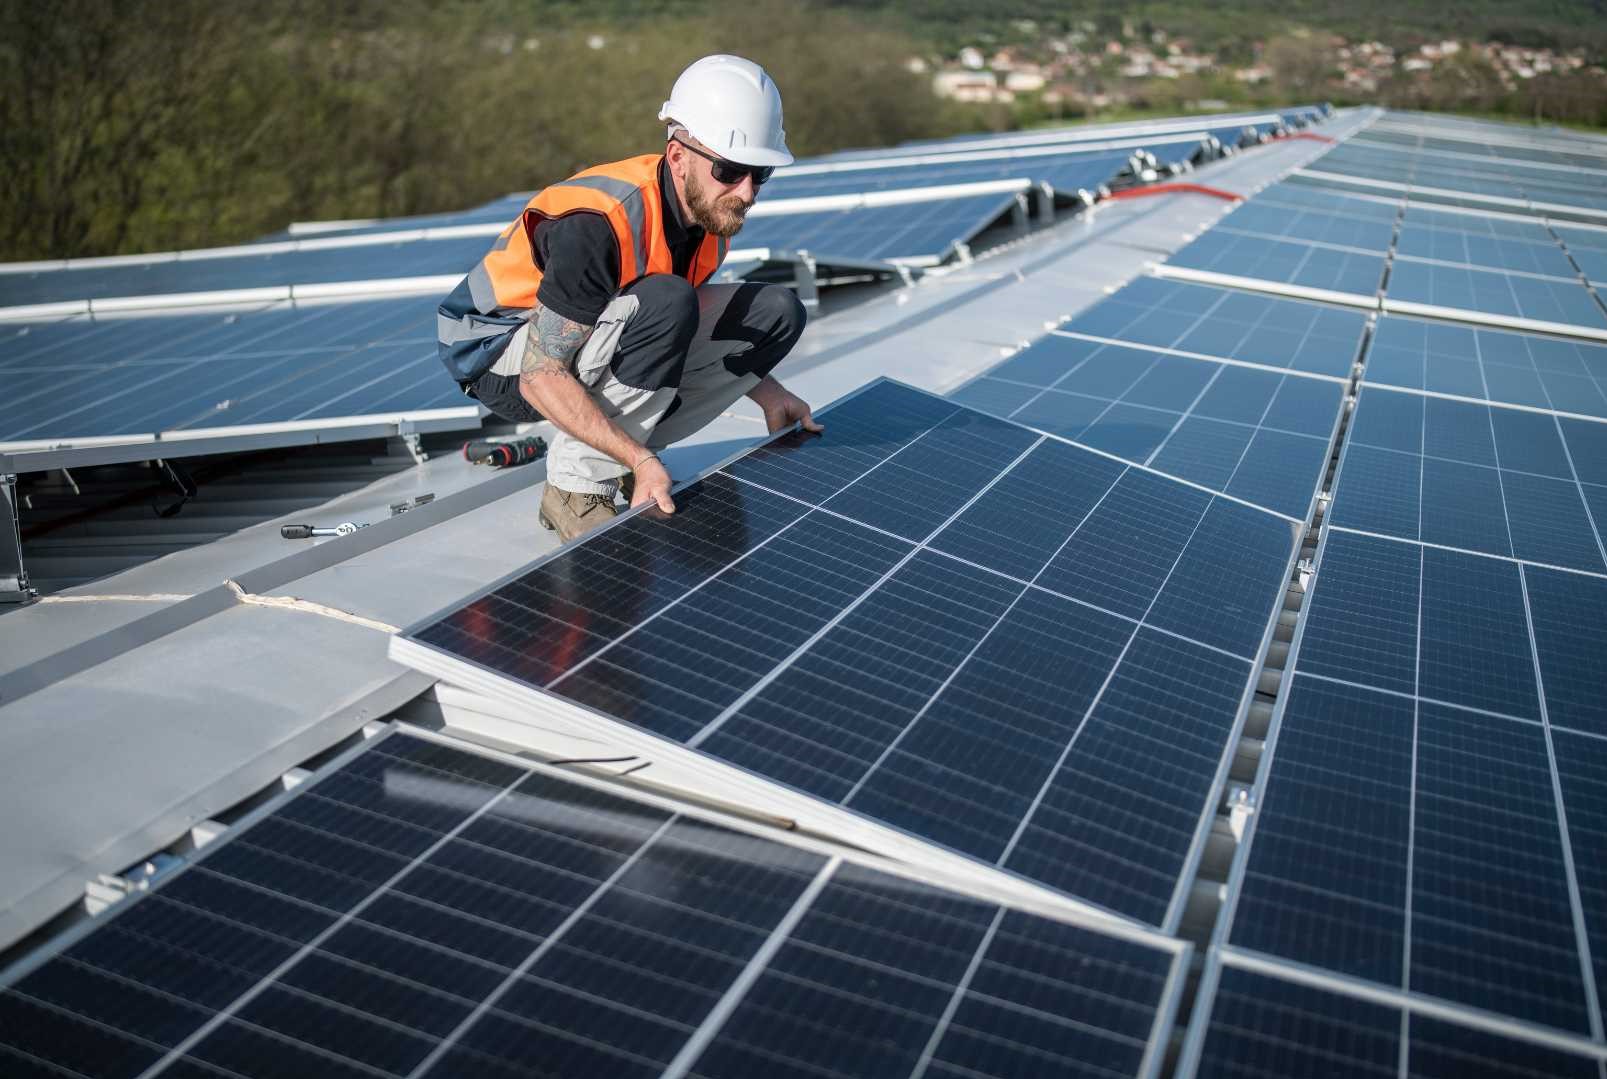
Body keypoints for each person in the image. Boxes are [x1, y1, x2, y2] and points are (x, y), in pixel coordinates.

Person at [436, 54, 821, 542]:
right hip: (499, 354)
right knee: (667, 302)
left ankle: (616, 452)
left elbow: (679, 333)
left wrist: (769, 392)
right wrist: (639, 459)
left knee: (776, 313)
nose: (746, 193)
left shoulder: (709, 216)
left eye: (759, 173)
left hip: (589, 338)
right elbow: (539, 376)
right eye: (729, 170)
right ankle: (576, 487)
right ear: (678, 156)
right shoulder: (597, 225)